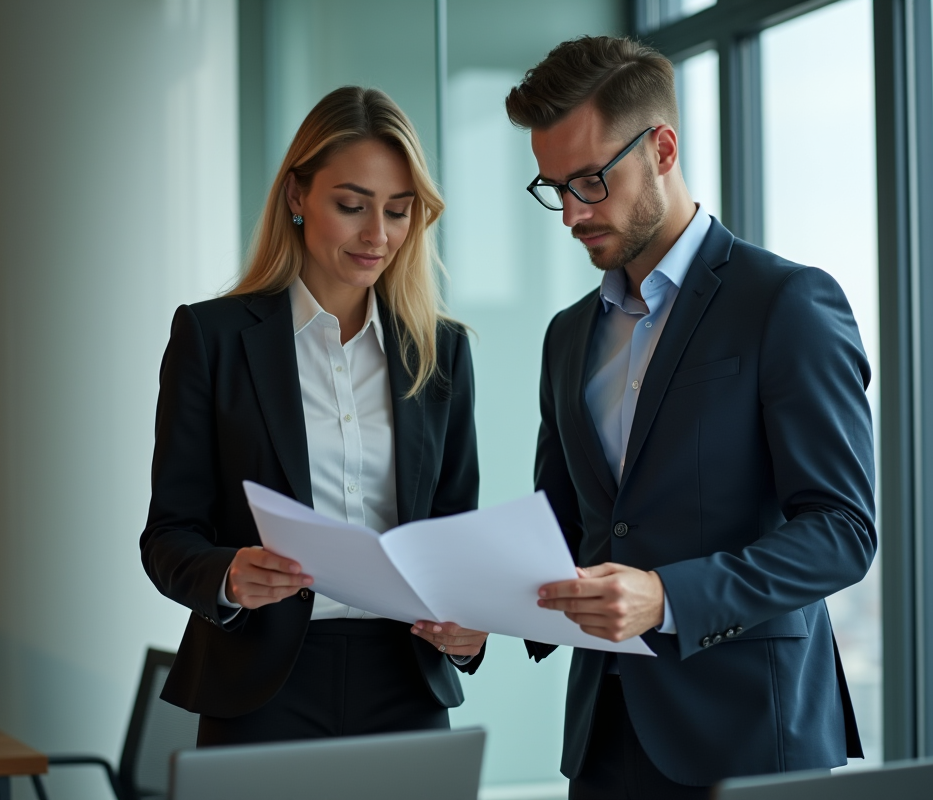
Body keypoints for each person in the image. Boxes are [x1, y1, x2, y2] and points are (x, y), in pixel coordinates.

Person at [506, 37, 875, 798]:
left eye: (590, 182)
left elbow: (842, 531)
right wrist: (482, 606)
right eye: (554, 188)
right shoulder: (567, 335)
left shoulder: (786, 304)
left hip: (750, 741)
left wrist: (668, 598)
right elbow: (567, 525)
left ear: (662, 148)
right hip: (605, 740)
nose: (572, 213)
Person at [141, 86, 488, 746]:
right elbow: (167, 535)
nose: (377, 235)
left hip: (407, 682)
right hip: (259, 687)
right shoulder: (211, 339)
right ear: (297, 196)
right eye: (351, 205)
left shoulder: (442, 352)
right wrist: (229, 576)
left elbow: (454, 536)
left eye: (398, 210)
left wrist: (468, 628)